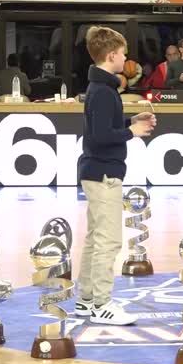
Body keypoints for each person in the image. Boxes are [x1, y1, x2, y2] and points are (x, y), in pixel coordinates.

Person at [75, 26, 157, 325]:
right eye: (123, 53)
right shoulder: (103, 91)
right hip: (103, 172)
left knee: (95, 238)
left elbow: (105, 126)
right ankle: (101, 303)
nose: (126, 58)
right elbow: (100, 137)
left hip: (97, 171)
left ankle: (86, 300)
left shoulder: (102, 89)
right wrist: (131, 132)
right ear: (111, 55)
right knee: (108, 241)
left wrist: (129, 121)